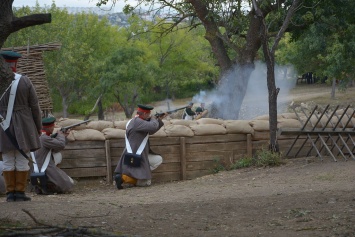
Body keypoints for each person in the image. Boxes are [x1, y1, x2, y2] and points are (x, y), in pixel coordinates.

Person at [0, 51, 42, 202]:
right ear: (15, 64)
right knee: (23, 158)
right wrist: (38, 126)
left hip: (2, 124)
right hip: (24, 124)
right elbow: (35, 106)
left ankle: (10, 193)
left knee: (7, 158)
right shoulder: (25, 81)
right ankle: (20, 192)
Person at [114, 104, 167, 189]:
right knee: (146, 183)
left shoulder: (136, 121)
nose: (149, 115)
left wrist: (159, 120)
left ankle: (136, 175)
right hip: (136, 155)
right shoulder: (137, 122)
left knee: (158, 159)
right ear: (144, 114)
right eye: (148, 114)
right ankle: (124, 178)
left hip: (135, 154)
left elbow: (151, 131)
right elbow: (152, 126)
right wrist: (153, 119)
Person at [30, 117, 74, 194]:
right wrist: (60, 135)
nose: (54, 128)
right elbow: (60, 145)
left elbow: (56, 149)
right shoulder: (44, 138)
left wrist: (64, 137)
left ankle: (45, 187)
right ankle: (49, 187)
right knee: (69, 184)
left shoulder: (38, 136)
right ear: (50, 127)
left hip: (37, 170)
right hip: (46, 168)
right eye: (53, 126)